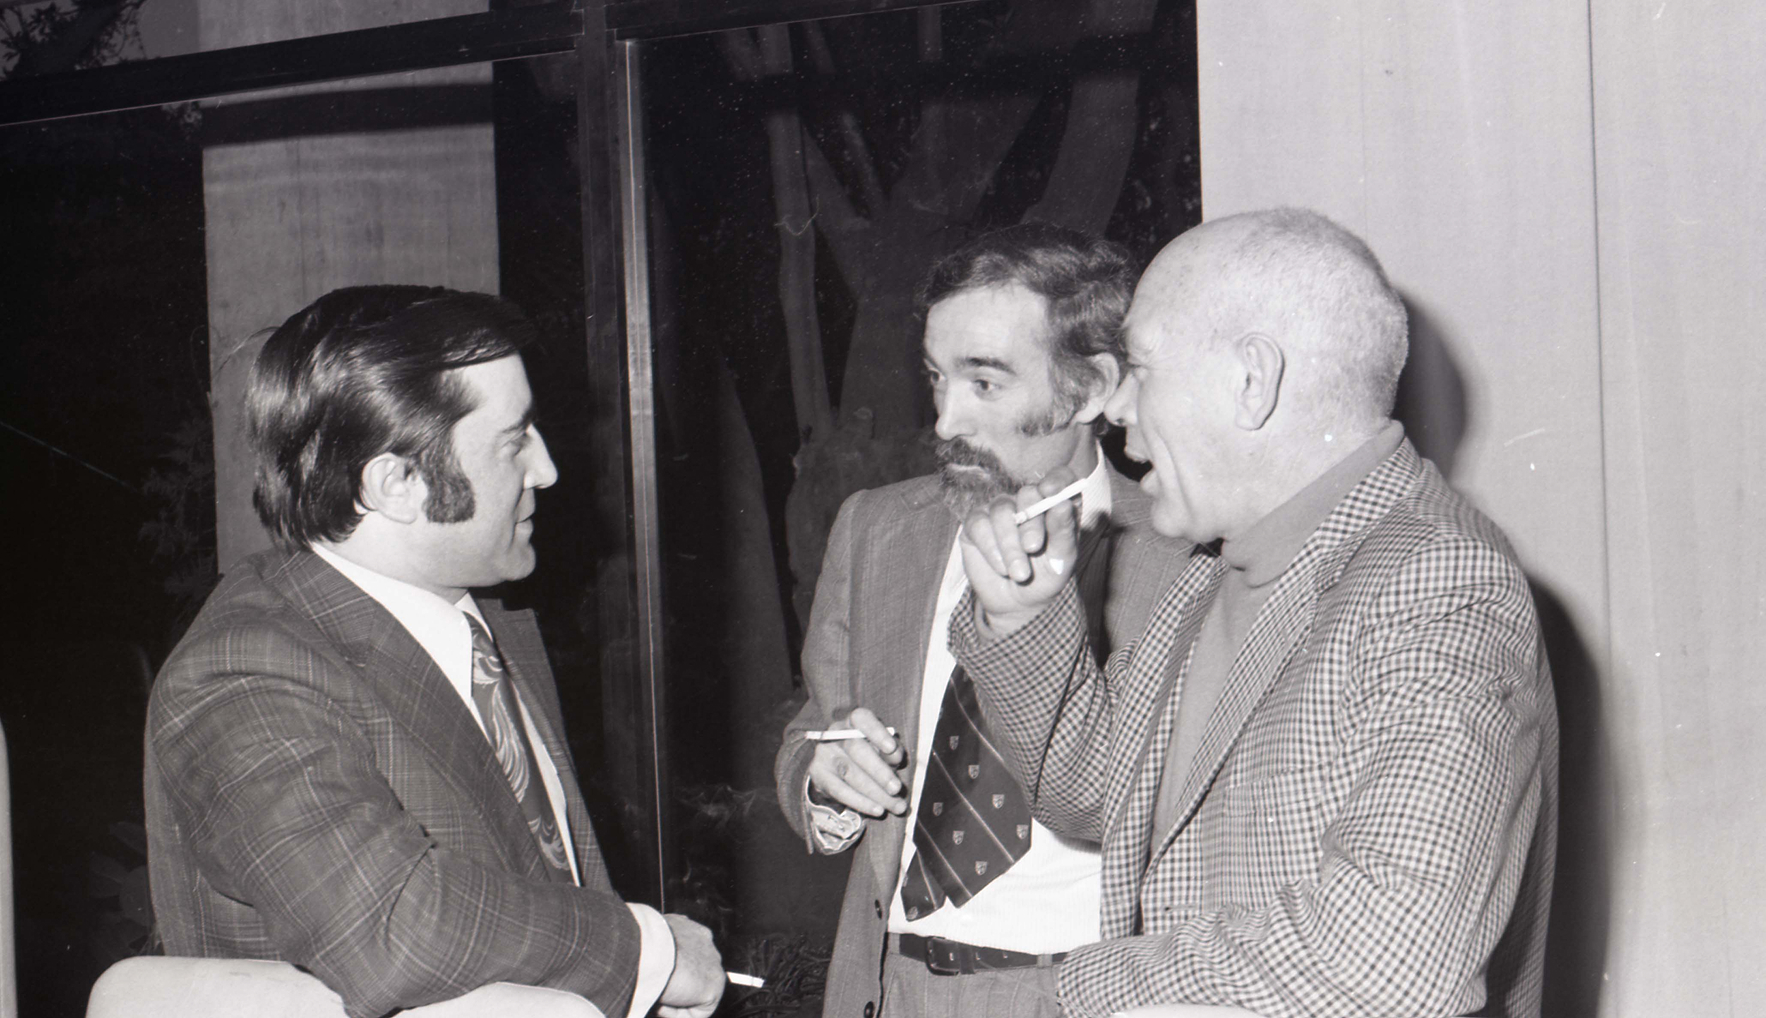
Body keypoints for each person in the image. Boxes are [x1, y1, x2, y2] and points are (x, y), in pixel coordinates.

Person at [951, 209, 1559, 1018]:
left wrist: (1056, 994)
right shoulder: (1215, 574)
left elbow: (1391, 958)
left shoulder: (1436, 579)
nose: (1115, 408)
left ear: (1251, 380)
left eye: (1140, 366)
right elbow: (1104, 796)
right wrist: (1024, 623)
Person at [145, 286, 725, 1018]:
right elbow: (387, 925)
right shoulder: (241, 673)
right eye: (515, 440)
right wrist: (648, 954)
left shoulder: (487, 618)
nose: (545, 470)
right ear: (396, 484)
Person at [774, 224, 1187, 1018]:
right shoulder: (876, 530)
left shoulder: (1185, 558)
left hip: (1083, 994)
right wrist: (825, 784)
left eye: (985, 383)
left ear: (1094, 388)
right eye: (937, 378)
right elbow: (811, 732)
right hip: (888, 989)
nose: (945, 422)